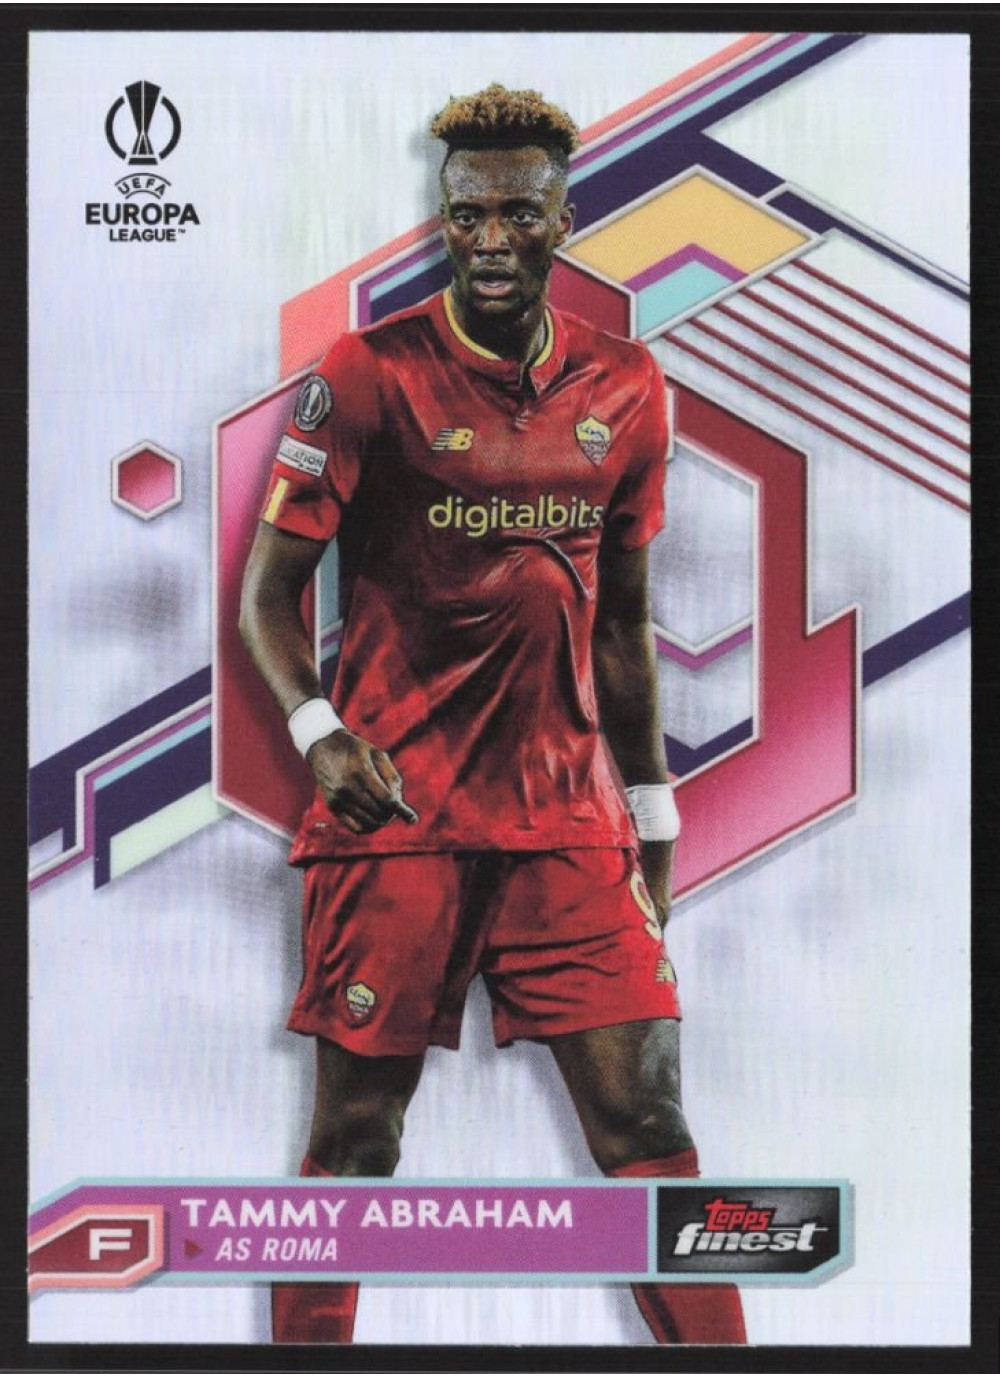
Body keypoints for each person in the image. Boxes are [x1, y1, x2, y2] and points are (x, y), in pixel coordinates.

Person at [240, 83, 746, 1347]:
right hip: (397, 823)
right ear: (443, 218)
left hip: (567, 827)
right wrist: (317, 732)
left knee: (649, 1120)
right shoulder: (367, 373)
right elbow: (265, 597)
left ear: (563, 217)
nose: (491, 240)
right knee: (357, 1137)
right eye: (467, 214)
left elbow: (622, 624)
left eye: (519, 213)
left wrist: (652, 813)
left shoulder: (628, 384)